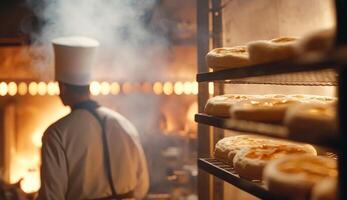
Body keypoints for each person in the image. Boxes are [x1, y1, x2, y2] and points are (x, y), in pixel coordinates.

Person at [37, 36, 149, 200]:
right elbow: (142, 186)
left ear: (63, 87)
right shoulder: (124, 124)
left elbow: (51, 196)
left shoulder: (57, 133)